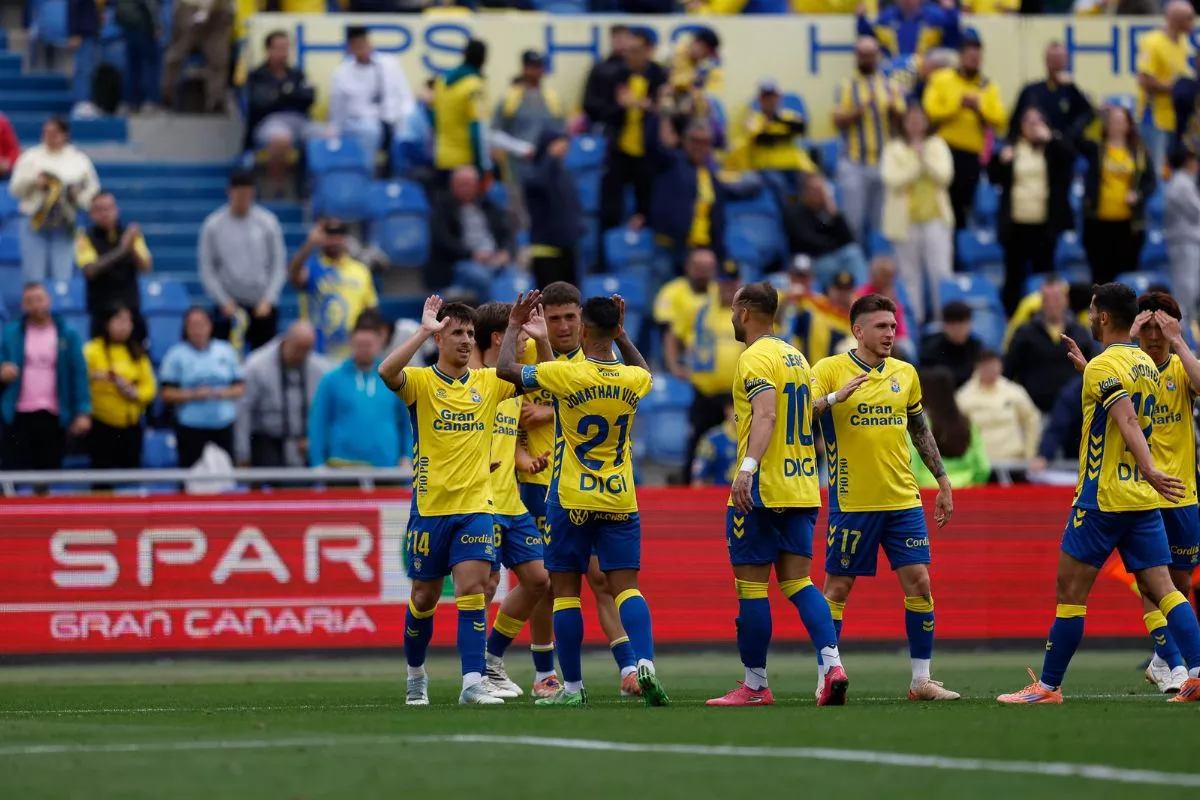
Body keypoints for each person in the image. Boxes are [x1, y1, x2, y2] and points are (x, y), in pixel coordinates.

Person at [997, 283, 1200, 704]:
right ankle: (1197, 673)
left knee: (1070, 595)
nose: (1088, 316)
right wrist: (1089, 371)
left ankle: (1048, 687)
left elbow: (1126, 419)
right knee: (1167, 591)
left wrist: (1151, 468)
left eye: (1091, 310)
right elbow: (1122, 405)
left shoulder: (1103, 366)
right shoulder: (1144, 364)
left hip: (1102, 498)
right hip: (1142, 500)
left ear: (1104, 316)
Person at [496, 291, 670, 708]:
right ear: (614, 329)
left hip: (571, 498)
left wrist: (514, 324)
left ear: (584, 330)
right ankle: (645, 663)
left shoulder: (565, 374)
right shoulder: (633, 380)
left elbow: (504, 370)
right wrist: (623, 336)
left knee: (566, 593)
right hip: (620, 498)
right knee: (626, 589)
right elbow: (645, 370)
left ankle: (572, 688)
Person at [811, 293, 960, 701]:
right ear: (858, 331)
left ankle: (921, 681)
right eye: (881, 326)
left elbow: (919, 429)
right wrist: (834, 398)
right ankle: (827, 676)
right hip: (853, 502)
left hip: (903, 501)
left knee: (920, 583)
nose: (890, 333)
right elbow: (801, 414)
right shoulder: (829, 369)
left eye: (893, 326)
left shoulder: (905, 373)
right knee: (837, 590)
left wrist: (943, 480)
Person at [706, 281, 849, 707]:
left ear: (745, 312)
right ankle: (832, 665)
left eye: (734, 310)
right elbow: (800, 412)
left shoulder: (753, 358)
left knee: (752, 590)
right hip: (802, 486)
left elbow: (767, 414)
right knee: (800, 582)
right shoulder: (796, 356)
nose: (732, 317)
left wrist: (746, 470)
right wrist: (834, 397)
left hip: (762, 489)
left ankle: (755, 686)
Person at [377, 298, 516, 706]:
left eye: (470, 333)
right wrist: (422, 331)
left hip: (476, 508)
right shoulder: (421, 383)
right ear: (440, 339)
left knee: (473, 591)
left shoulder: (488, 383)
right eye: (457, 332)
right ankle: (415, 675)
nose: (466, 340)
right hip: (430, 510)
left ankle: (472, 682)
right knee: (424, 598)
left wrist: (524, 332)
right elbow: (386, 371)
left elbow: (534, 376)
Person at [471, 301, 555, 700]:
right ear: (497, 338)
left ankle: (491, 658)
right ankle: (474, 673)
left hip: (512, 502)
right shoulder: (473, 384)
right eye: (519, 335)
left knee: (539, 579)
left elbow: (509, 439)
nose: (526, 342)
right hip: (481, 503)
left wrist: (526, 461)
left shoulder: (510, 386)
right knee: (485, 586)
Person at [989, 107, 1077, 315]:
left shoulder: (1052, 147)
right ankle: (1012, 318)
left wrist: (1052, 139)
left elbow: (1070, 159)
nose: (1033, 126)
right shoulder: (1012, 147)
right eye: (1028, 121)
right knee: (1014, 277)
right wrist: (1001, 161)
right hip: (1016, 224)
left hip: (1045, 225)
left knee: (1044, 274)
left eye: (1037, 121)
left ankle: (1045, 314)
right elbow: (993, 176)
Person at [0, 283, 91, 477]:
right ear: (23, 305)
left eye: (39, 299)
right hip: (17, 413)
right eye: (29, 301)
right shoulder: (9, 333)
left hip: (53, 414)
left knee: (48, 475)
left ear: (49, 300)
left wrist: (83, 411)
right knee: (12, 474)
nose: (36, 305)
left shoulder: (68, 334)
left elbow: (79, 374)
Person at [922, 35, 1007, 233]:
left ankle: (959, 246)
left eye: (978, 58)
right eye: (970, 57)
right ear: (960, 57)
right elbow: (930, 111)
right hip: (943, 150)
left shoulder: (988, 86)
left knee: (963, 206)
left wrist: (979, 108)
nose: (974, 62)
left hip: (971, 154)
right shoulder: (941, 79)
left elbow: (1000, 119)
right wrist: (957, 105)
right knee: (941, 203)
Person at [598, 27, 669, 256]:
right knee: (610, 208)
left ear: (649, 50)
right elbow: (603, 112)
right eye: (627, 50)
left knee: (648, 209)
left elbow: (667, 111)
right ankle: (604, 257)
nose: (629, 55)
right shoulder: (616, 75)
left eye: (635, 50)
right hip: (620, 150)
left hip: (649, 153)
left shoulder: (661, 76)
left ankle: (646, 258)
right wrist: (621, 106)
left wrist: (645, 106)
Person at [200, 171, 288, 353]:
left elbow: (278, 264)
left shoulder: (268, 223)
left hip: (261, 305)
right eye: (239, 194)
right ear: (229, 193)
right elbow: (207, 269)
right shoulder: (213, 225)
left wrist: (269, 299)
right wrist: (223, 300)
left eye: (248, 195)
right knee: (225, 358)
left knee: (265, 359)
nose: (243, 200)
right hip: (229, 306)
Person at [881, 104, 953, 326]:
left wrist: (925, 160)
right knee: (909, 276)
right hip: (905, 223)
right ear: (903, 123)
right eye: (910, 119)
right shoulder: (893, 148)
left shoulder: (937, 145)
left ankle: (944, 321)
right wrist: (915, 160)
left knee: (940, 273)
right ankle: (915, 323)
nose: (915, 123)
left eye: (919, 119)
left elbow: (945, 176)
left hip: (935, 220)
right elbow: (893, 180)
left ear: (926, 122)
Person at [667, 277, 743, 485]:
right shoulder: (699, 309)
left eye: (732, 284)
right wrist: (674, 366)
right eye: (724, 283)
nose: (728, 289)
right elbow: (673, 334)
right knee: (697, 444)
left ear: (739, 285)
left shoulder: (745, 314)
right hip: (705, 392)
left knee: (739, 444)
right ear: (717, 284)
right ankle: (691, 490)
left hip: (737, 395)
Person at [9, 118, 100, 283]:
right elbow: (14, 189)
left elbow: (93, 190)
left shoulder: (79, 160)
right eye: (46, 132)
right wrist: (34, 181)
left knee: (62, 276)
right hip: (34, 221)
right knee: (34, 277)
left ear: (65, 134)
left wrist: (78, 197)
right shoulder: (30, 157)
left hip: (65, 222)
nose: (49, 136)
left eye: (54, 133)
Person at [834, 37, 907, 243]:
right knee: (853, 222)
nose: (867, 59)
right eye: (863, 55)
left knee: (881, 223)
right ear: (856, 57)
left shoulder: (892, 86)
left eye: (871, 55)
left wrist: (893, 110)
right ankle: (855, 262)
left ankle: (879, 260)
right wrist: (861, 109)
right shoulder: (846, 86)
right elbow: (837, 121)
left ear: (878, 57)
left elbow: (903, 124)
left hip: (884, 162)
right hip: (854, 162)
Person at [308, 319, 406, 470]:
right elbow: (318, 422)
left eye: (369, 344)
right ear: (351, 344)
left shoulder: (395, 378)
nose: (364, 349)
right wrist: (317, 463)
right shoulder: (331, 380)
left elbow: (408, 422)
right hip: (342, 467)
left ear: (380, 344)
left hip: (386, 466)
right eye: (360, 345)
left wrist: (408, 456)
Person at [1077, 104, 1156, 287]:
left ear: (1128, 124)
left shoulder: (1139, 152)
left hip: (1128, 226)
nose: (1116, 125)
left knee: (1125, 281)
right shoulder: (1097, 149)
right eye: (1112, 120)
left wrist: (1138, 194)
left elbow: (1150, 182)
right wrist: (1093, 113)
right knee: (1100, 279)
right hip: (1098, 225)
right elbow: (1074, 137)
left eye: (1120, 120)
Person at [234, 320, 330, 468]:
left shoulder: (321, 369)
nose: (302, 355)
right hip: (267, 437)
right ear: (286, 340)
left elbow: (328, 412)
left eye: (307, 350)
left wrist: (316, 441)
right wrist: (242, 453)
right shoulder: (257, 366)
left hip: (305, 439)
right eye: (298, 348)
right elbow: (243, 412)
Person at [159, 307, 244, 468]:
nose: (198, 330)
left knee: (225, 472)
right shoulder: (176, 354)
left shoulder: (226, 351)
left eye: (202, 324)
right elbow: (166, 393)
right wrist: (193, 395)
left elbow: (240, 387)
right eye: (193, 325)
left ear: (210, 326)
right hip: (190, 425)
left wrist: (221, 393)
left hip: (223, 424)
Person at [650, 115, 732, 279]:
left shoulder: (712, 179)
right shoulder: (671, 163)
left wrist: (722, 257)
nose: (700, 147)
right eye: (695, 141)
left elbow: (717, 221)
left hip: (700, 252)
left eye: (705, 142)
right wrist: (663, 114)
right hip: (670, 249)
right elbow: (655, 147)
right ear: (684, 141)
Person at [288, 218, 379, 359]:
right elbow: (293, 276)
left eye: (339, 235)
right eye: (330, 235)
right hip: (317, 352)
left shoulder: (361, 270)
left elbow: (371, 310)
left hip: (351, 353)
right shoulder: (312, 268)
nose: (334, 240)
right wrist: (309, 244)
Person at [330, 26, 415, 174]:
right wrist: (334, 127)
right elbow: (338, 108)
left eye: (363, 43)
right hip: (360, 121)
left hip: (391, 117)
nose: (361, 48)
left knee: (407, 131)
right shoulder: (342, 73)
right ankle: (367, 175)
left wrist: (407, 118)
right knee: (370, 131)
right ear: (350, 48)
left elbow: (405, 95)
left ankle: (401, 178)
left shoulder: (390, 64)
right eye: (356, 45)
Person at [83, 305, 155, 477]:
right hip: (101, 424)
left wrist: (134, 392)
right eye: (119, 320)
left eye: (128, 321)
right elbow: (78, 380)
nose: (124, 326)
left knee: (131, 478)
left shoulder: (137, 352)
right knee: (102, 479)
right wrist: (95, 376)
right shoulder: (92, 350)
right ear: (107, 323)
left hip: (131, 424)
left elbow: (150, 388)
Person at [1005, 279, 1094, 413]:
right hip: (1034, 410)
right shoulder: (1025, 333)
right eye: (1047, 299)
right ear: (1041, 302)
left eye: (1057, 298)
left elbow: (1092, 368)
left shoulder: (1080, 332)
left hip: (1074, 411)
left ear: (1066, 300)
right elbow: (1008, 370)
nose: (1052, 304)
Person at [245, 31, 317, 192]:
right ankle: (278, 188)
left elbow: (309, 98)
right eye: (279, 48)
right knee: (280, 139)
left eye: (286, 48)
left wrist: (281, 94)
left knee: (327, 137)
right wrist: (290, 94)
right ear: (268, 50)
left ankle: (316, 190)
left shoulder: (297, 74)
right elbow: (261, 102)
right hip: (269, 121)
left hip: (300, 120)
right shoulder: (257, 75)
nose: (283, 52)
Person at [75, 192, 151, 341]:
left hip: (130, 308)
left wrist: (132, 248)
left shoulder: (130, 234)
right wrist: (122, 250)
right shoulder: (84, 237)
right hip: (101, 311)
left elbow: (146, 267)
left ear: (117, 210)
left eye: (108, 208)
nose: (105, 214)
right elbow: (90, 270)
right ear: (91, 215)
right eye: (99, 210)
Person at [428, 166, 514, 299]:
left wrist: (505, 252)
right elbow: (442, 241)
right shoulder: (442, 208)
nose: (465, 188)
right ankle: (494, 311)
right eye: (461, 184)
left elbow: (506, 234)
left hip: (494, 259)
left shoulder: (488, 206)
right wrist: (472, 254)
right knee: (481, 278)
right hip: (462, 262)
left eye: (469, 184)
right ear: (452, 185)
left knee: (519, 279)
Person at [494, 50, 563, 210]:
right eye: (531, 67)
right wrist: (520, 148)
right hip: (518, 171)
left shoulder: (553, 99)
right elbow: (495, 133)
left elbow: (562, 132)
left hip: (548, 172)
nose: (535, 71)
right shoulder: (510, 98)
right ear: (524, 69)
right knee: (521, 215)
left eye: (538, 67)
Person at [955, 350, 1041, 467]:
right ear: (977, 367)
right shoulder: (963, 396)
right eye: (987, 366)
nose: (992, 370)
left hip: (1014, 461)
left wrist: (1029, 453)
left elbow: (1032, 420)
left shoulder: (1014, 391)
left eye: (995, 366)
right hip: (979, 463)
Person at [1136, 1, 1195, 172]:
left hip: (1176, 118)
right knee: (1156, 170)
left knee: (1174, 170)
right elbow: (1144, 80)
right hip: (1154, 119)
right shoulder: (1152, 42)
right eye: (1189, 18)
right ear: (1176, 20)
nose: (1193, 23)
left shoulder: (1183, 42)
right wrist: (1177, 88)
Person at [908, 367, 990, 489]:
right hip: (967, 489)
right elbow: (983, 466)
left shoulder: (919, 424)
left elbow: (911, 463)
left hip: (928, 490)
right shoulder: (967, 423)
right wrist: (972, 485)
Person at [784, 174, 868, 290]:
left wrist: (833, 209)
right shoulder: (795, 213)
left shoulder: (827, 212)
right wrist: (833, 244)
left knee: (853, 252)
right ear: (805, 192)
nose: (819, 193)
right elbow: (806, 241)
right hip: (812, 259)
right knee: (830, 265)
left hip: (833, 255)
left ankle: (862, 295)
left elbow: (848, 240)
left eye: (822, 189)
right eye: (815, 190)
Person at [523, 129, 582, 289]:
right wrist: (549, 158)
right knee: (549, 299)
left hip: (567, 248)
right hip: (545, 249)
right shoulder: (533, 171)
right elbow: (540, 184)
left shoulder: (564, 173)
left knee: (570, 299)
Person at [1008, 42, 1096, 145]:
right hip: (1035, 147)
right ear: (1046, 62)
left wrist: (1072, 88)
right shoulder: (1031, 91)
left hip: (1064, 147)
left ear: (1066, 61)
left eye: (1060, 59)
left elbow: (1089, 114)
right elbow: (1014, 124)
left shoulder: (1072, 92)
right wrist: (1010, 145)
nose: (1056, 64)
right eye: (1053, 59)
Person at [743, 80, 815, 205]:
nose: (769, 100)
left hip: (793, 164)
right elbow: (763, 139)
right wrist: (786, 134)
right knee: (779, 184)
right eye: (765, 96)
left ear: (779, 97)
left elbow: (802, 128)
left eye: (772, 96)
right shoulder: (753, 119)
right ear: (760, 99)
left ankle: (807, 214)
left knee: (811, 182)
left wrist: (777, 120)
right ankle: (790, 215)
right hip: (768, 167)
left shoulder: (788, 115)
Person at [430, 38, 490, 181]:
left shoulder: (441, 82)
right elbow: (478, 128)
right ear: (484, 59)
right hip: (465, 163)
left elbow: (433, 117)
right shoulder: (474, 87)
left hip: (441, 157)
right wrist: (483, 165)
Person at [161, 0, 234, 113]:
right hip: (190, 6)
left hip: (219, 10)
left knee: (218, 58)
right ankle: (168, 97)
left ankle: (216, 100)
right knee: (177, 53)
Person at [787, 256, 853, 364]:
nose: (842, 294)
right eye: (839, 288)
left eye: (846, 289)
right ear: (830, 289)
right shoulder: (819, 304)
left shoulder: (857, 313)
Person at [654, 248, 717, 357]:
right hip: (682, 352)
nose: (703, 274)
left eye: (707, 269)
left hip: (715, 350)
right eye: (699, 268)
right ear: (688, 267)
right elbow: (666, 330)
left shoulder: (720, 292)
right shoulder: (672, 291)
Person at [1164, 147, 1200, 328]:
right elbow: (1196, 211)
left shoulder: (1184, 181)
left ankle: (1190, 330)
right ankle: (1183, 331)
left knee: (1191, 289)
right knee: (1186, 288)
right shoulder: (1181, 183)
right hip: (1184, 242)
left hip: (1188, 241)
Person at [856, 0, 961, 60]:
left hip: (926, 73)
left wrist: (950, 11)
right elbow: (870, 37)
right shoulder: (887, 17)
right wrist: (861, 20)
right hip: (893, 71)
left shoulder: (935, 16)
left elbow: (952, 40)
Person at [855, 255, 913, 357]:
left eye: (890, 276)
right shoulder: (862, 294)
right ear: (872, 275)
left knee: (907, 347)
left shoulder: (894, 293)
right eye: (884, 275)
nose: (888, 280)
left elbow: (899, 327)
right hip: (866, 337)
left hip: (894, 337)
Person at [918, 301, 981, 388]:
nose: (957, 328)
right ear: (944, 325)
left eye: (961, 322)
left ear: (969, 323)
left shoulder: (977, 347)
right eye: (952, 323)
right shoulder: (930, 350)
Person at [113, 0, 161, 114]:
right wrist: (156, 26)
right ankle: (149, 100)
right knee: (149, 64)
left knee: (132, 65)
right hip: (143, 25)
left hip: (127, 25)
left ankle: (131, 101)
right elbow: (150, 4)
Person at [582, 25, 633, 131]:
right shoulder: (601, 69)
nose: (621, 43)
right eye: (618, 38)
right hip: (608, 123)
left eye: (624, 38)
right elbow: (589, 103)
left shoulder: (641, 68)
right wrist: (617, 105)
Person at [690, 400, 737, 488]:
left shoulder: (758, 438)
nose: (742, 414)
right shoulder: (712, 439)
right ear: (727, 410)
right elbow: (698, 478)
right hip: (720, 493)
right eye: (737, 408)